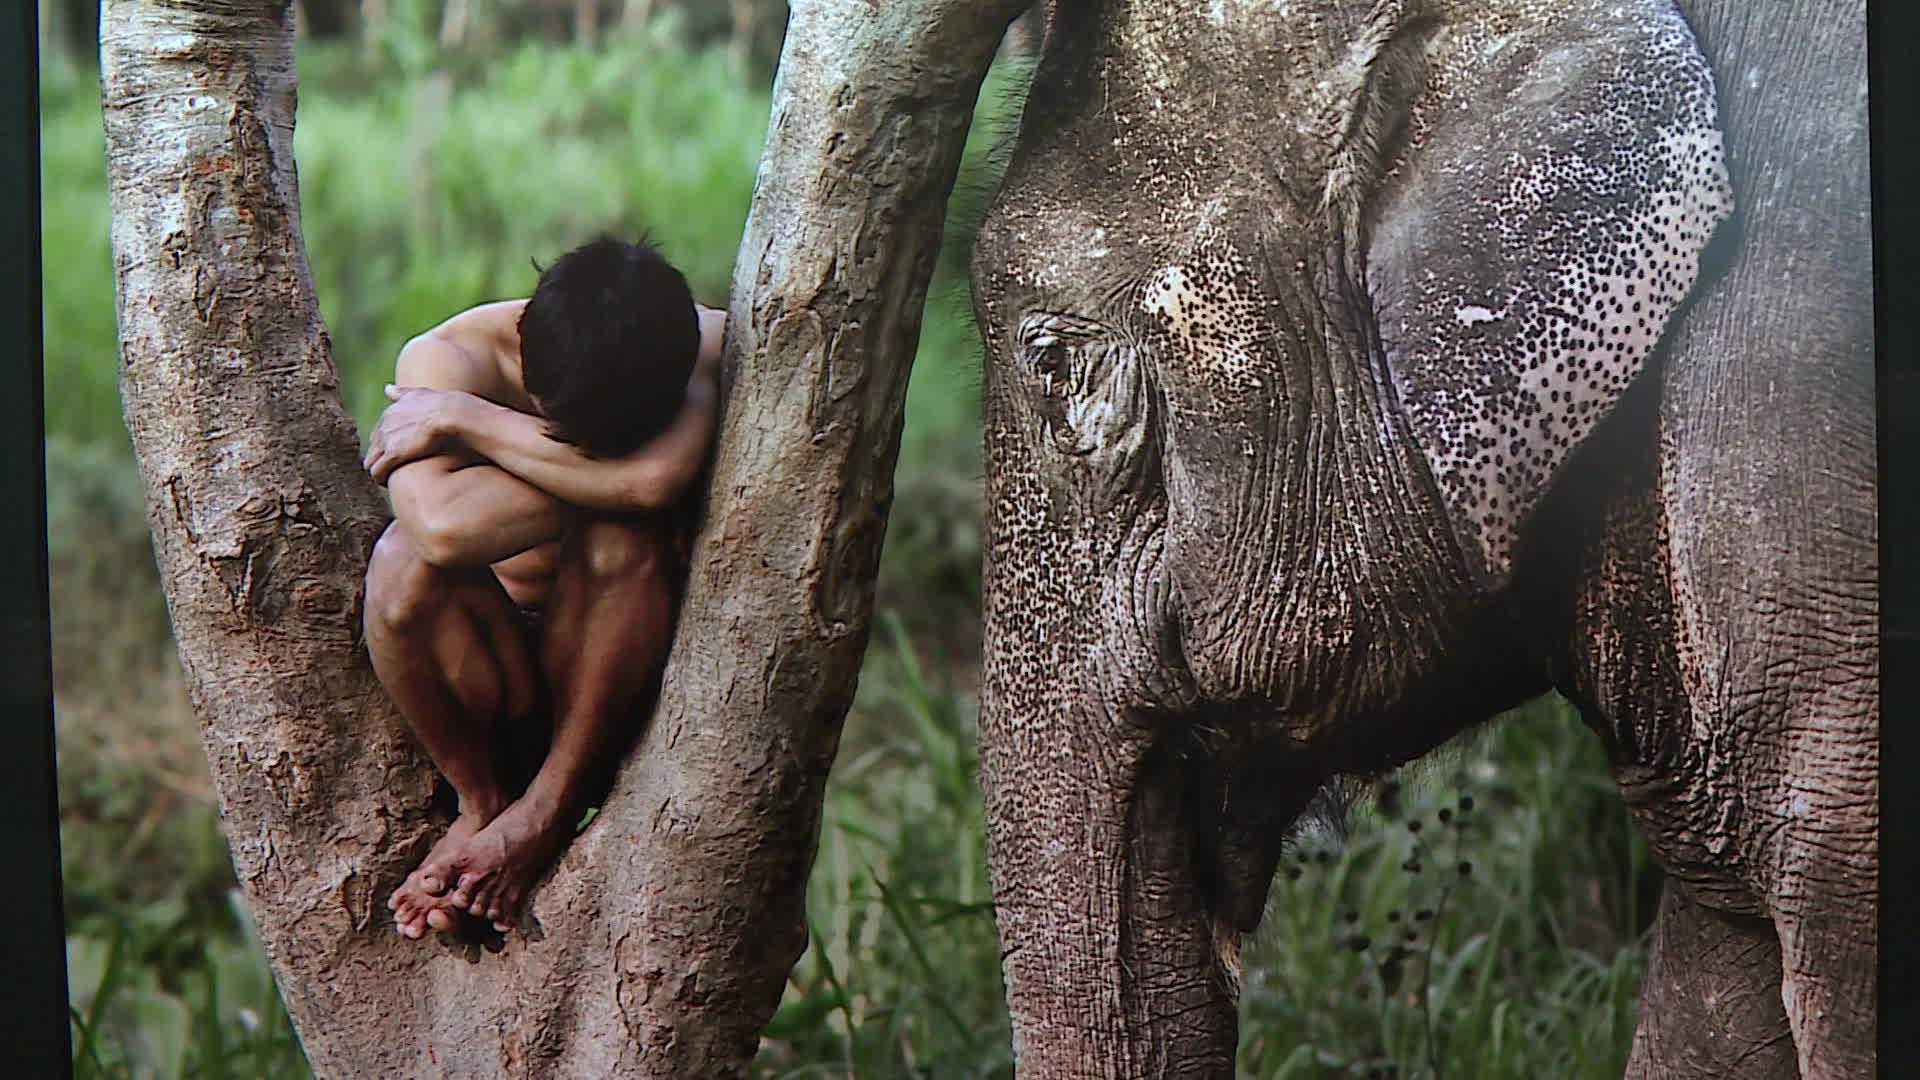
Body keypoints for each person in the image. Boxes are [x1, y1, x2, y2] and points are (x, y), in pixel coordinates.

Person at [360, 236, 724, 939]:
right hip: (486, 673)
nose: (592, 453)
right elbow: (442, 530)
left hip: (611, 675)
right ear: (528, 363)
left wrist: (467, 421)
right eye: (570, 434)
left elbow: (651, 485)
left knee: (625, 536)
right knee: (402, 559)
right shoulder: (445, 359)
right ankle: (481, 803)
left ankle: (545, 813)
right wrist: (615, 484)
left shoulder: (701, 344)